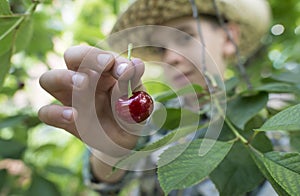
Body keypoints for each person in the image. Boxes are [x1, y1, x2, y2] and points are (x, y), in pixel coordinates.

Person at [38, 0, 274, 195]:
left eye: (185, 37)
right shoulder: (154, 121)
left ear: (228, 36)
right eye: (161, 49)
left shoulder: (272, 114)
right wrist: (110, 151)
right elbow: (110, 181)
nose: (170, 57)